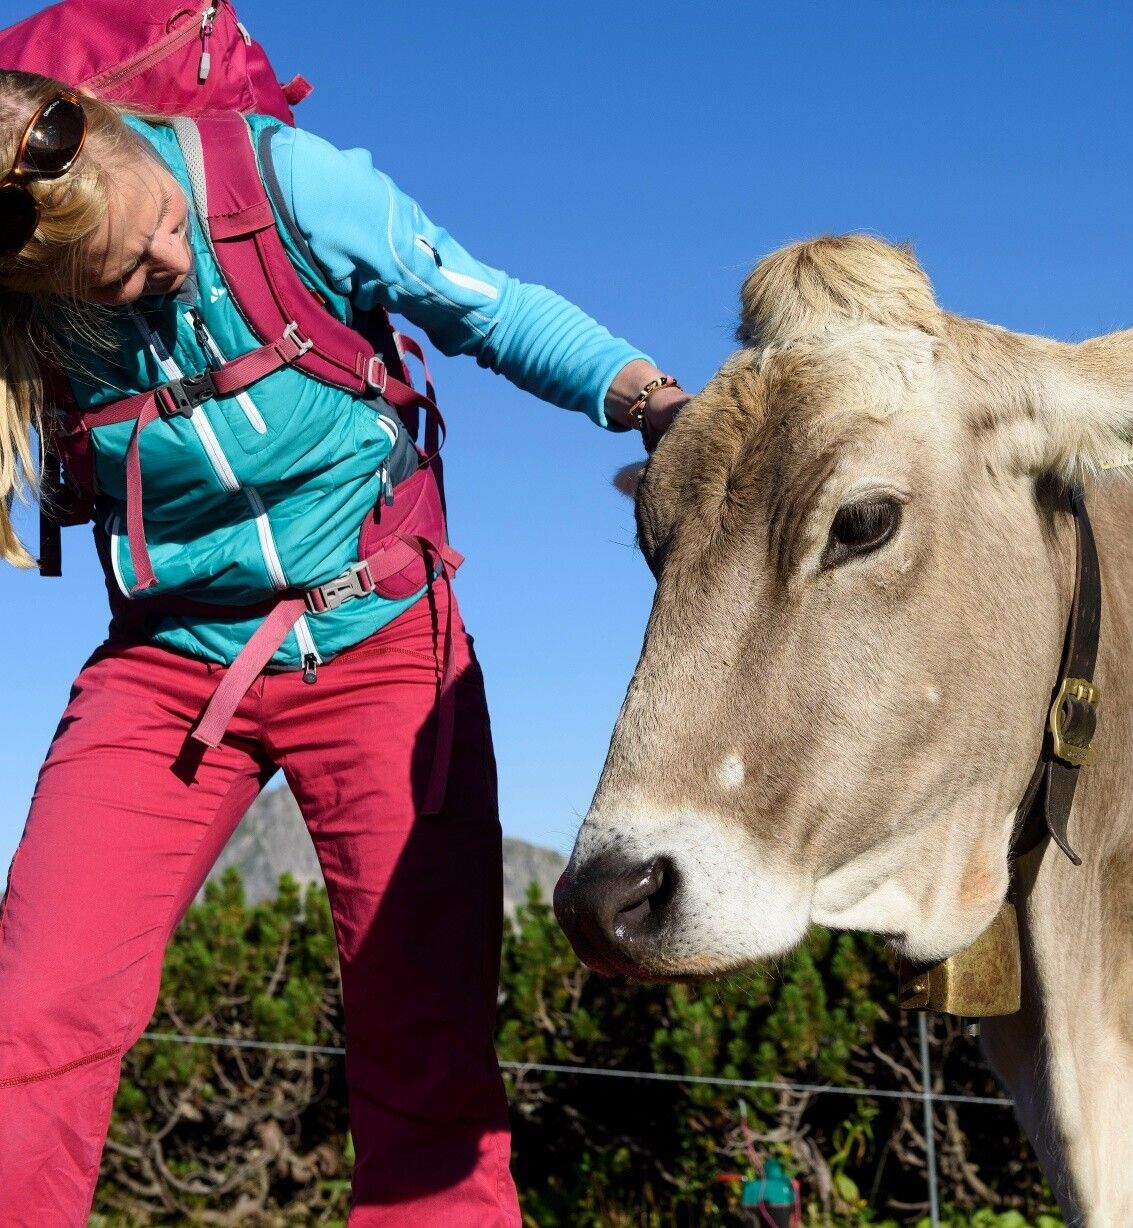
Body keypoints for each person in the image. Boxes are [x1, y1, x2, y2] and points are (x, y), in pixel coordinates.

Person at [0, 70, 686, 1226]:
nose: (164, 265)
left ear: (126, 131)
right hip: (169, 663)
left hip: (378, 638)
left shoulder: (286, 188)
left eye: (159, 223)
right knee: (31, 1012)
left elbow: (489, 308)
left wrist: (651, 399)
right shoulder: (25, 312)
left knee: (424, 1036)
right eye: (118, 281)